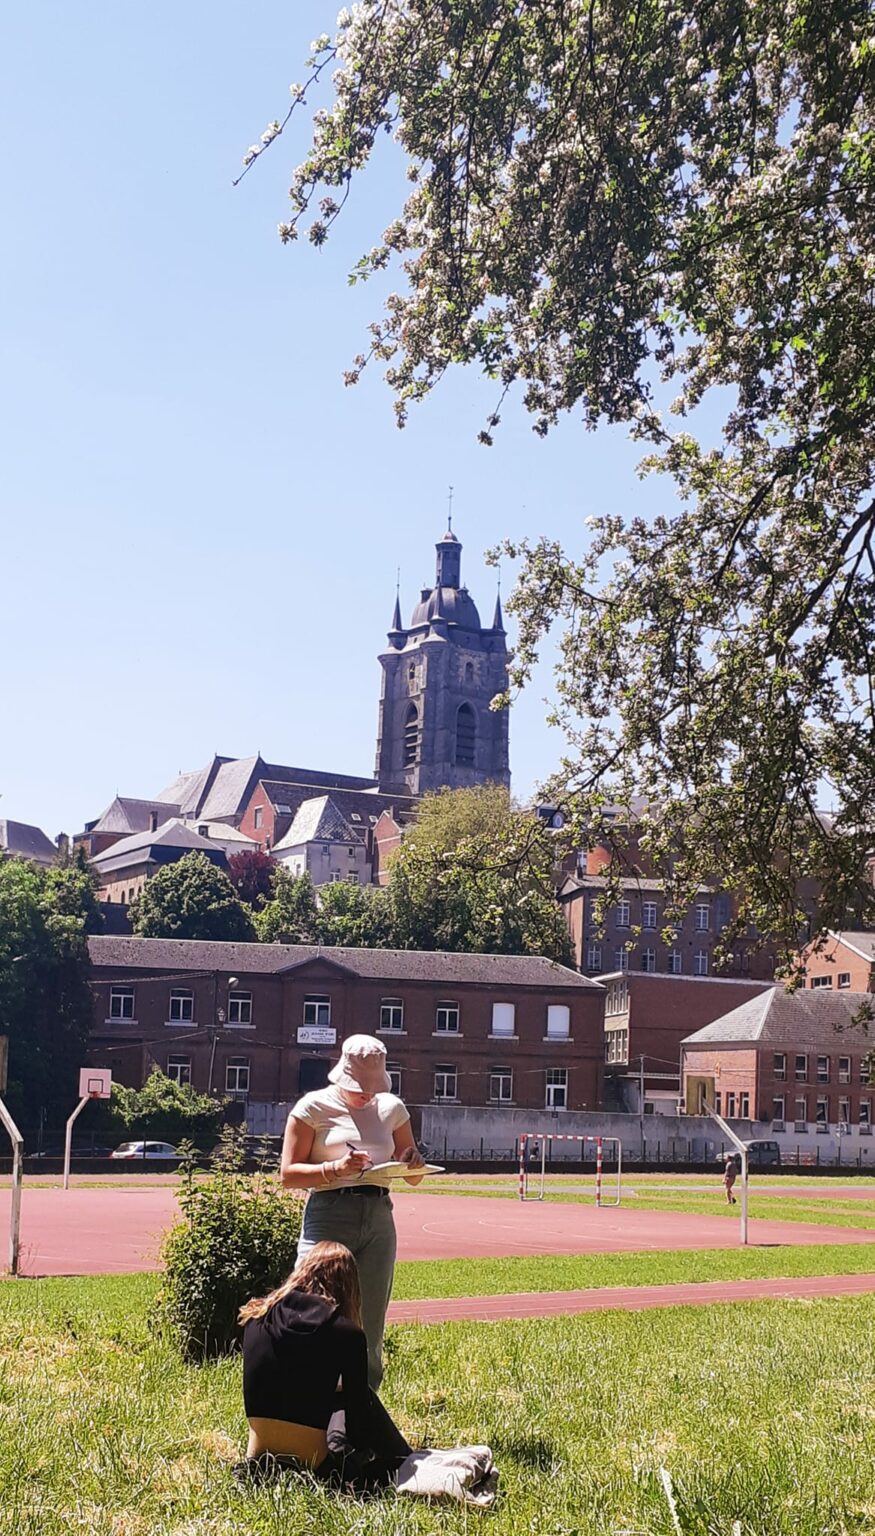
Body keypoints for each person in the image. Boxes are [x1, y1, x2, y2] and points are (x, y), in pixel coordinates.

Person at [282, 1034, 425, 1387]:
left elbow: (414, 1178)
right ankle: (310, 1405)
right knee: (315, 1309)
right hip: (329, 1213)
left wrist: (413, 1163)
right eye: (361, 1086)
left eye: (374, 1086)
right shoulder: (312, 1108)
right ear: (342, 1075)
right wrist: (335, 1170)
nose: (368, 1093)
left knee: (371, 1319)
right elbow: (288, 1175)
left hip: (378, 1216)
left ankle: (362, 1409)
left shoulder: (392, 1108)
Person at [238, 1240, 411, 1490]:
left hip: (259, 1461)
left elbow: (284, 1381)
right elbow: (359, 1428)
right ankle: (406, 1458)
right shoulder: (345, 1332)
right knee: (364, 1399)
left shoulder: (257, 1317)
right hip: (315, 1468)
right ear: (347, 1286)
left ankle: (406, 1457)